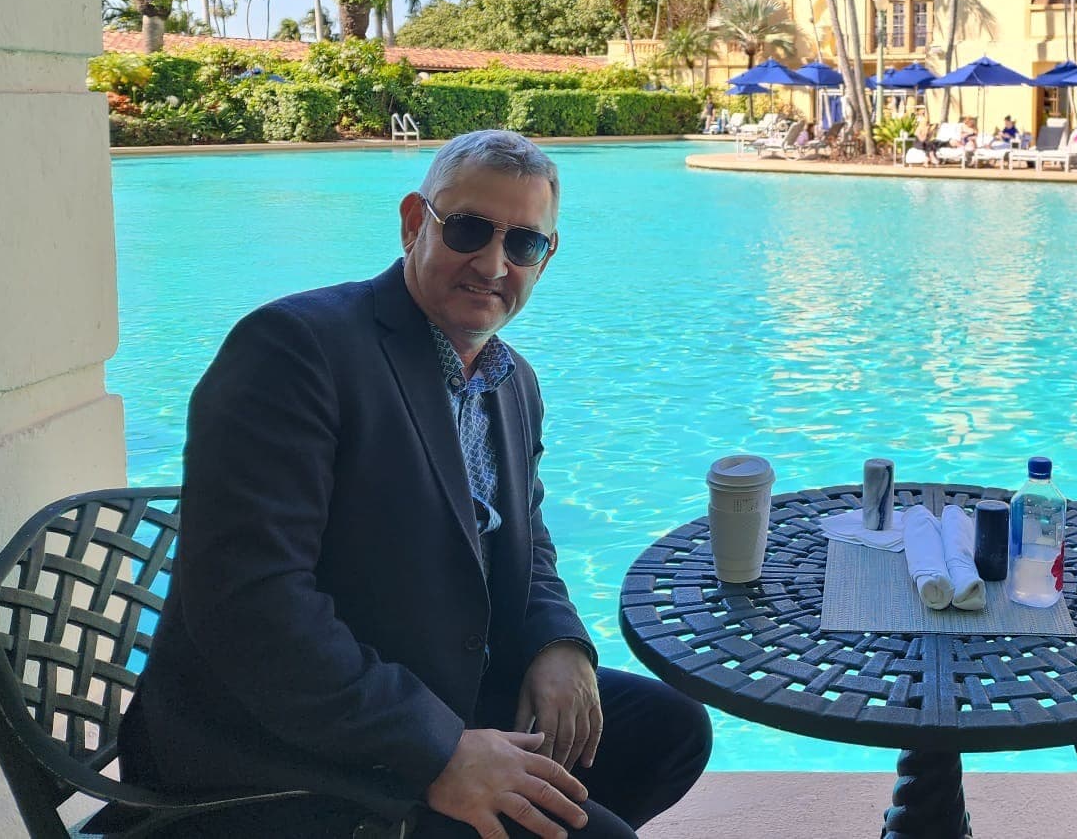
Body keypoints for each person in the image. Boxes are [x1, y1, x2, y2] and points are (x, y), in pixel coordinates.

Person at [122, 131, 713, 839]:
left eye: (524, 243)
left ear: (546, 258)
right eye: (468, 229)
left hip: (435, 680)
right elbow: (254, 605)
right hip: (283, 750)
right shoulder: (295, 351)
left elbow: (524, 536)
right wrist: (439, 753)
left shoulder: (509, 382)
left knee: (669, 730)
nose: (493, 263)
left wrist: (558, 645)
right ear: (413, 222)